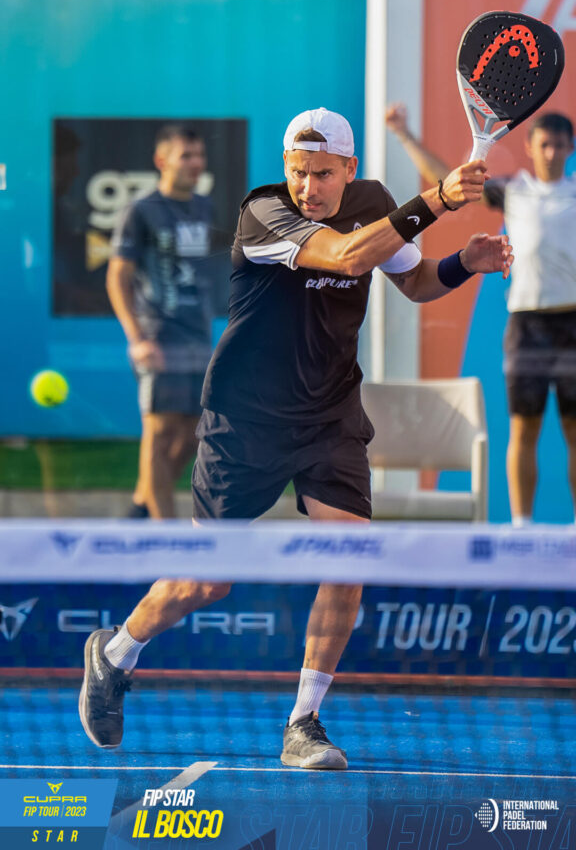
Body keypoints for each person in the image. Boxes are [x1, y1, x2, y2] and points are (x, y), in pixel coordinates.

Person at [80, 107, 512, 768]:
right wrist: (439, 199)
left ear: (350, 170)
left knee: (348, 558)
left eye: (322, 174)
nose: (308, 187)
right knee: (206, 583)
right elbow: (345, 255)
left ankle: (303, 722)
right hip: (245, 418)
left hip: (329, 414)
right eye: (298, 172)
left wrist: (463, 263)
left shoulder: (373, 203)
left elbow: (414, 281)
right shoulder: (264, 212)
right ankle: (114, 654)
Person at [385, 102, 576, 525]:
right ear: (530, 147)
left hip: (572, 324)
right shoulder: (514, 191)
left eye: (560, 145)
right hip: (527, 325)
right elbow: (450, 180)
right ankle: (521, 527)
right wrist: (403, 133)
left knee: (575, 432)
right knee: (523, 429)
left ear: (570, 148)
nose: (551, 153)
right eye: (545, 144)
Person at [106, 123, 214, 520]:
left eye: (199, 155)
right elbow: (117, 276)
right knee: (159, 432)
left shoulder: (205, 207)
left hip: (198, 337)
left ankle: (140, 509)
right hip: (157, 336)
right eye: (186, 156)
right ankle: (164, 536)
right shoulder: (141, 210)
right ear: (161, 160)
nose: (195, 163)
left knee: (196, 432)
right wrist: (137, 338)